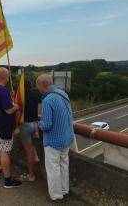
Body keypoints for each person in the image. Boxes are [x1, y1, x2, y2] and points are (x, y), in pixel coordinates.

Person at [36, 74, 74, 202]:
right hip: (67, 137)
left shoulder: (47, 100)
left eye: (39, 87)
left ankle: (57, 196)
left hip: (53, 140)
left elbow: (46, 124)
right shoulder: (63, 94)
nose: (39, 90)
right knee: (64, 164)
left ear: (42, 86)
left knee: (53, 168)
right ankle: (65, 190)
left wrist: (38, 124)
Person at [0, 67, 21, 188]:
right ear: (5, 77)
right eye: (8, 77)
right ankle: (8, 180)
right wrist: (16, 106)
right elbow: (8, 110)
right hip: (3, 127)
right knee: (5, 152)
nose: (8, 79)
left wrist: (9, 98)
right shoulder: (2, 90)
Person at [19, 79, 42, 182]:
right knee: (31, 143)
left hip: (25, 125)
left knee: (28, 152)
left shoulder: (20, 96)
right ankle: (36, 156)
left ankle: (31, 175)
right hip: (36, 124)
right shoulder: (35, 94)